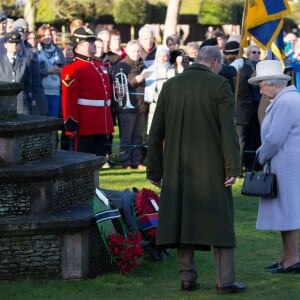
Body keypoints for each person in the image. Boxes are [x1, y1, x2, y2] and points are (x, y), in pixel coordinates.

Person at [146, 46, 246, 294]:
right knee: (221, 221)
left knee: (182, 219)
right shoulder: (219, 85)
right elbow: (229, 132)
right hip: (212, 168)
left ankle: (187, 277)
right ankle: (225, 280)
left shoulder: (171, 85)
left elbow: (155, 132)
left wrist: (155, 171)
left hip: (177, 168)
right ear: (215, 63)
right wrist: (233, 166)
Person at [248, 60, 300, 274]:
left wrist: (261, 156)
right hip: (283, 164)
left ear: (273, 83)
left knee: (288, 213)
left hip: (287, 165)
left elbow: (275, 138)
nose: (260, 90)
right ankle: (286, 257)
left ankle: (292, 259)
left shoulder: (288, 101)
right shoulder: (285, 99)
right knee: (284, 213)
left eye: (261, 85)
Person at [61, 26, 114, 157]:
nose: (94, 44)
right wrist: (70, 120)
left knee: (98, 159)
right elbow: (68, 98)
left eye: (93, 41)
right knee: (82, 159)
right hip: (85, 122)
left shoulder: (99, 65)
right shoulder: (72, 69)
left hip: (102, 120)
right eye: (89, 42)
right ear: (78, 46)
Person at [113, 40, 147, 170]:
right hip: (127, 107)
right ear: (127, 51)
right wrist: (135, 80)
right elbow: (118, 87)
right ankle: (125, 161)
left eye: (138, 50)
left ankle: (136, 161)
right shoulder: (121, 65)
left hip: (141, 105)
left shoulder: (142, 65)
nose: (137, 53)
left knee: (138, 137)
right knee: (126, 137)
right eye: (133, 50)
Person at [144, 45, 175, 134]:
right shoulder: (150, 70)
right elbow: (147, 87)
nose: (162, 59)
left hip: (169, 103)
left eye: (165, 56)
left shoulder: (172, 70)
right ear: (156, 57)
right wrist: (157, 97)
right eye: (160, 56)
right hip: (155, 102)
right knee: (154, 127)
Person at [0, 30, 32, 114]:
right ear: (5, 45)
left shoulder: (25, 61)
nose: (14, 45)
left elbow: (29, 82)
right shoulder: (0, 62)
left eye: (17, 43)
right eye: (11, 43)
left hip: (21, 103)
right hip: (3, 102)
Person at [37, 24, 65, 117]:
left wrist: (59, 70)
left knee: (54, 117)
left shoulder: (58, 50)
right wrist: (48, 71)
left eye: (49, 35)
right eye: (44, 35)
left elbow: (64, 67)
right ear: (40, 37)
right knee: (44, 118)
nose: (47, 37)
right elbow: (36, 71)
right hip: (43, 91)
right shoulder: (37, 51)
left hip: (56, 90)